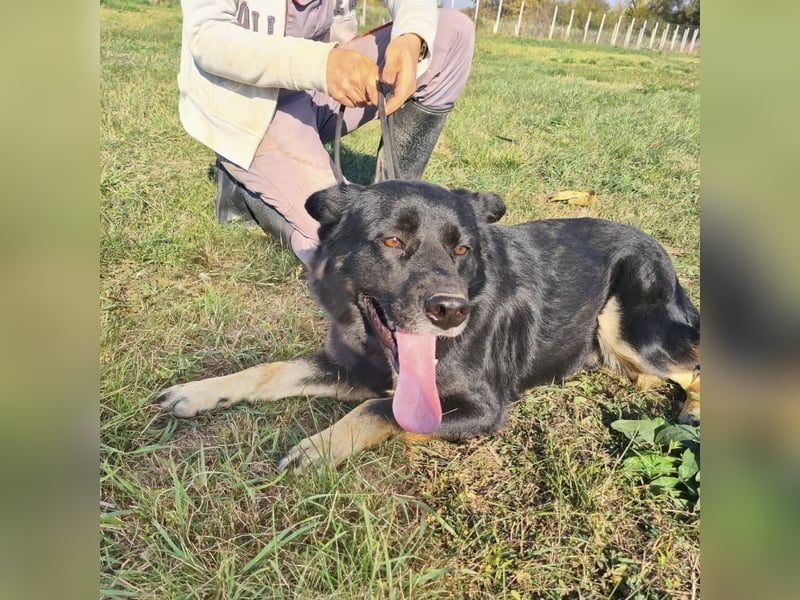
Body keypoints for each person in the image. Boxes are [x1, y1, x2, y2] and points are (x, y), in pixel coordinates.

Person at [177, 0, 475, 265]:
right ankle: (247, 189)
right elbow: (207, 36)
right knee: (348, 242)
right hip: (251, 105)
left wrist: (412, 37)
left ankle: (398, 202)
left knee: (452, 31)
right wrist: (321, 64)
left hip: (320, 87)